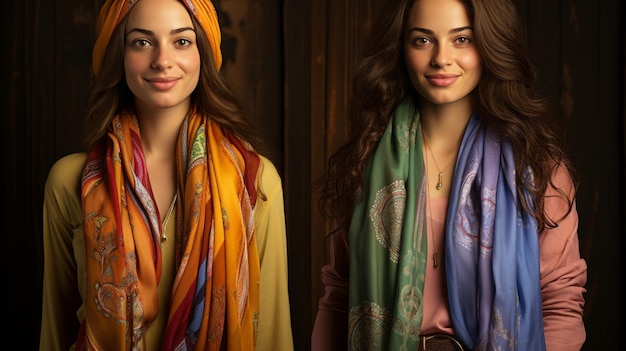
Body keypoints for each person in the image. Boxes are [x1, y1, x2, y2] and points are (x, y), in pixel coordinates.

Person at [311, 0, 587, 350]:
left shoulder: (536, 169)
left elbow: (560, 304)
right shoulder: (365, 162)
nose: (441, 58)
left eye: (462, 40)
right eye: (422, 40)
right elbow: (338, 296)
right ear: (401, 49)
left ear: (489, 45)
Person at [39, 0, 294, 349]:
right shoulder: (70, 181)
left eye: (182, 41)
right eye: (142, 42)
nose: (162, 60)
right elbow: (54, 333)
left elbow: (273, 336)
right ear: (119, 54)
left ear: (202, 53)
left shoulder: (255, 181)